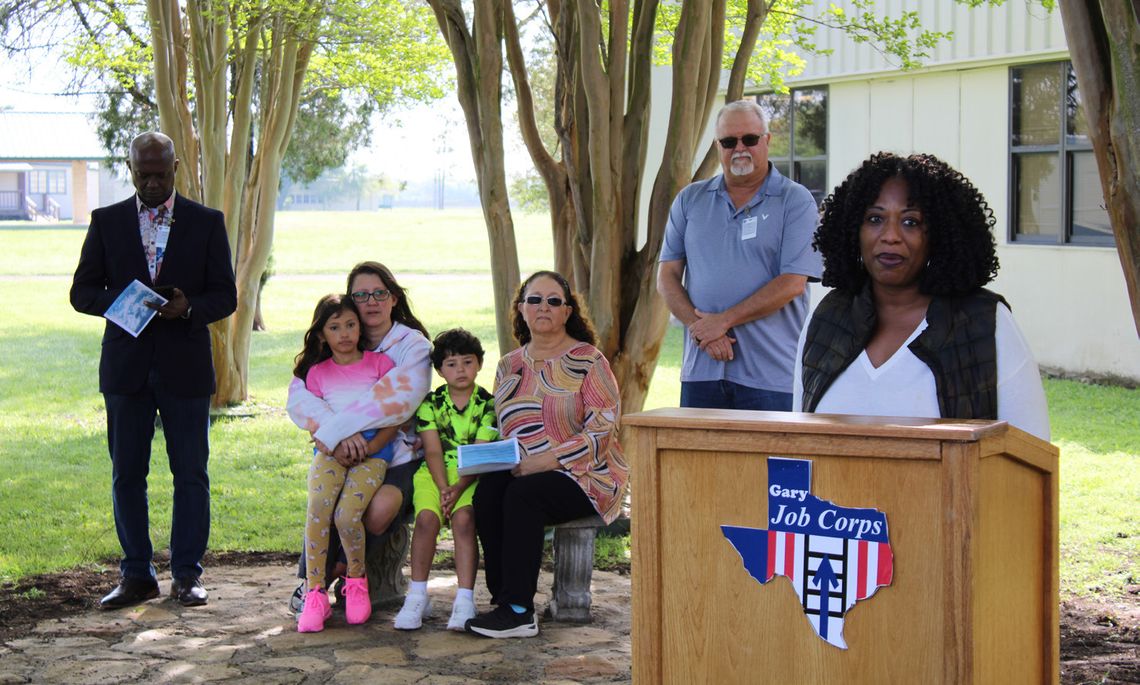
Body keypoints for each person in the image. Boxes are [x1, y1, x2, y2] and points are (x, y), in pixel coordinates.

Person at [70, 131, 237, 609]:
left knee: (191, 474)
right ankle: (137, 574)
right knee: (127, 474)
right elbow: (82, 293)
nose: (151, 182)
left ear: (176, 167)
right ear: (130, 168)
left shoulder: (207, 223)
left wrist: (188, 308)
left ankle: (187, 574)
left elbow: (225, 295)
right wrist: (127, 304)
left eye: (160, 173)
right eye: (143, 173)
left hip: (185, 369)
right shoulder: (106, 222)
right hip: (126, 371)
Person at [792, 152, 1050, 441]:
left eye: (911, 222)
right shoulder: (828, 318)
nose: (890, 235)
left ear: (939, 234)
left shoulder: (986, 322)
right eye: (875, 218)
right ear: (854, 229)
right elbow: (799, 445)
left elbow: (1032, 452)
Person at [466, 270, 629, 639]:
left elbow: (603, 428)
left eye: (554, 301)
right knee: (489, 491)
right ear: (521, 308)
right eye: (535, 299)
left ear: (567, 311)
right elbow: (505, 424)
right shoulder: (509, 364)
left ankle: (519, 611)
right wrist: (485, 449)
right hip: (522, 467)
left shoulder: (589, 361)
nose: (544, 307)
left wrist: (549, 460)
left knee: (524, 495)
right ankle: (504, 599)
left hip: (586, 475)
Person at [657, 99, 822, 411]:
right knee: (699, 461)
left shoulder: (794, 201)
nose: (740, 149)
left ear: (767, 141)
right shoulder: (690, 200)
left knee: (772, 462)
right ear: (718, 145)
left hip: (771, 378)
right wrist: (701, 328)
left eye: (750, 139)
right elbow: (666, 278)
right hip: (701, 373)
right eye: (729, 142)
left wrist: (723, 321)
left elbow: (792, 283)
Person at [286, 261, 432, 609]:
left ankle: (336, 577)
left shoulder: (412, 345)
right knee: (326, 498)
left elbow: (397, 401)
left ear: (394, 298)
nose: (371, 301)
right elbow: (299, 393)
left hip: (397, 455)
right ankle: (312, 584)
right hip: (338, 452)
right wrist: (335, 437)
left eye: (379, 293)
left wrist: (337, 431)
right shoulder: (341, 333)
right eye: (361, 294)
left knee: (375, 512)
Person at [290, 294, 400, 632]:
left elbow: (396, 411)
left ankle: (356, 582)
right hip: (329, 453)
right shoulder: (317, 373)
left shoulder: (380, 365)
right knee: (319, 508)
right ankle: (315, 593)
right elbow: (311, 416)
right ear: (322, 334)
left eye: (350, 324)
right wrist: (337, 441)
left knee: (347, 515)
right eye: (335, 327)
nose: (345, 333)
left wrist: (372, 446)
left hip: (373, 455)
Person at [393, 328, 497, 632]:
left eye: (467, 362)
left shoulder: (488, 405)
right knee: (426, 520)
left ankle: (464, 598)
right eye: (451, 364)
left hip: (472, 474)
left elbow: (479, 453)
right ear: (439, 370)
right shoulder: (431, 404)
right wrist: (443, 489)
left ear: (479, 364)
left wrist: (458, 488)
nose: (460, 370)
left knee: (465, 521)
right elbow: (433, 451)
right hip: (435, 475)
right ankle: (417, 595)